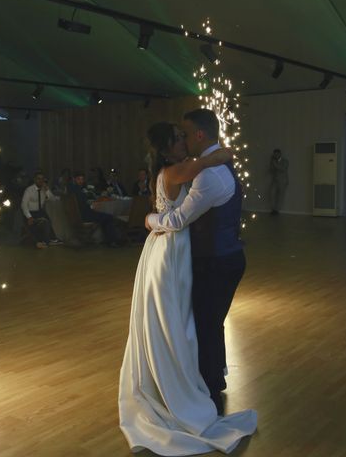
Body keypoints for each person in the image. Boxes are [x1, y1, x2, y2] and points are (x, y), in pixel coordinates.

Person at [119, 116, 257, 455]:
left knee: (187, 320)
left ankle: (197, 380)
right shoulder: (180, 170)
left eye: (186, 136)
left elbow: (187, 198)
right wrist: (150, 220)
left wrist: (151, 219)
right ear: (168, 149)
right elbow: (179, 217)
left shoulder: (188, 168)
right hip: (170, 251)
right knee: (178, 320)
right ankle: (185, 384)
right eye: (178, 139)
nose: (184, 142)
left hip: (180, 251)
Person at [68, 171, 120, 247]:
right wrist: (92, 204)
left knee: (105, 216)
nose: (81, 181)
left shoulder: (72, 189)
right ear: (74, 179)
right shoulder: (78, 190)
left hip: (80, 215)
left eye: (82, 179)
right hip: (85, 215)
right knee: (109, 217)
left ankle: (109, 240)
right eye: (79, 179)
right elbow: (83, 204)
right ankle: (112, 241)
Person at [21, 172, 61, 248]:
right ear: (35, 179)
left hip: (40, 211)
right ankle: (41, 241)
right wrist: (29, 217)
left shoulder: (44, 189)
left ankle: (51, 239)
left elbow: (52, 199)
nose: (41, 181)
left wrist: (47, 190)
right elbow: (24, 205)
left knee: (47, 220)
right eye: (38, 179)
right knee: (40, 222)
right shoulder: (29, 190)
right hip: (31, 212)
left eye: (42, 179)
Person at [268, 148, 289, 215]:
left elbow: (283, 169)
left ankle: (277, 210)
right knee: (272, 193)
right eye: (274, 154)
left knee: (280, 196)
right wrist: (272, 164)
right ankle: (273, 209)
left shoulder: (285, 161)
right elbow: (271, 170)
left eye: (277, 154)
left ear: (280, 154)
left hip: (282, 181)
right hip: (275, 181)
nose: (275, 155)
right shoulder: (273, 161)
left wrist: (275, 164)